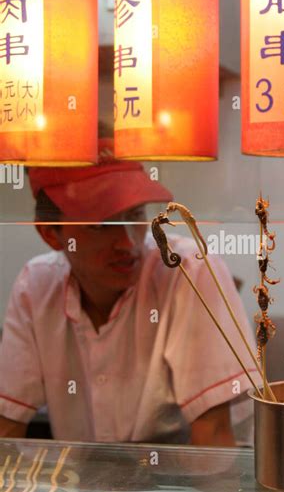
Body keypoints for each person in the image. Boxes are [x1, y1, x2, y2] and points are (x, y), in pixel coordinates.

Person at [0, 143, 257, 445]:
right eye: (102, 225)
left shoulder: (186, 269)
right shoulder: (36, 285)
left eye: (134, 214)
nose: (127, 242)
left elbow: (213, 436)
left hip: (184, 485)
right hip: (85, 485)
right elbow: (7, 425)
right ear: (50, 233)